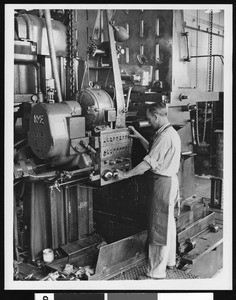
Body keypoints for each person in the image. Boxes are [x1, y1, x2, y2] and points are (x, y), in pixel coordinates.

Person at [116, 102, 181, 279]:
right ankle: (169, 262)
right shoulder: (168, 132)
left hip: (162, 184)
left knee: (158, 227)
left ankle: (155, 272)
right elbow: (154, 152)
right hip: (169, 181)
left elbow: (147, 163)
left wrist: (126, 174)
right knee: (167, 224)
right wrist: (137, 136)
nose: (148, 121)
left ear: (156, 116)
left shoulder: (165, 136)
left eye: (149, 118)